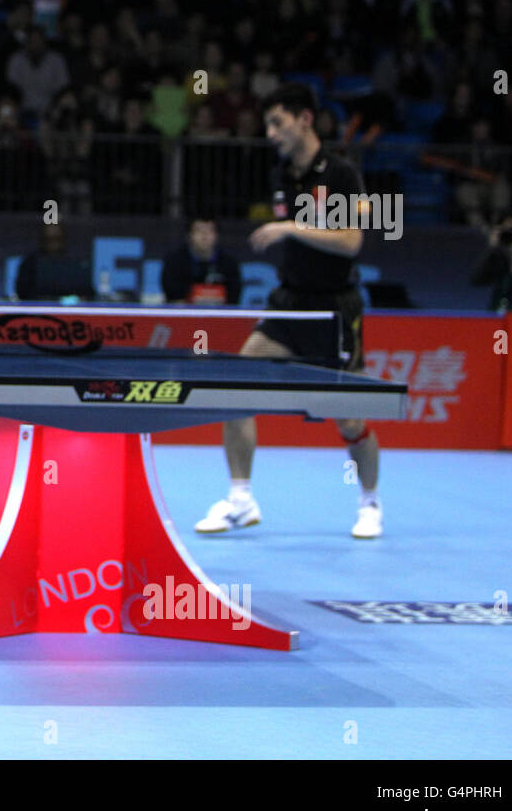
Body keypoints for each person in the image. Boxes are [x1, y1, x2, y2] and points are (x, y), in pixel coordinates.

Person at [195, 83, 383, 539]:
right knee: (235, 383)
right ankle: (241, 499)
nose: (270, 132)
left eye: (277, 122)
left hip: (335, 308)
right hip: (290, 302)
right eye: (268, 124)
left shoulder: (341, 174)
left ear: (304, 119)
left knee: (350, 417)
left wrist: (290, 228)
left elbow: (352, 241)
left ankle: (370, 503)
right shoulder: (283, 174)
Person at [161, 217, 241, 304]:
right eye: (199, 231)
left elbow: (234, 296)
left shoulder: (229, 263)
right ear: (189, 236)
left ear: (216, 236)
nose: (204, 236)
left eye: (209, 231)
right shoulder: (174, 261)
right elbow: (171, 294)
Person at [15, 222, 94, 301]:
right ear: (42, 240)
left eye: (57, 239)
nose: (54, 244)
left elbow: (88, 293)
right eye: (49, 239)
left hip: (69, 311)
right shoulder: (30, 263)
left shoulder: (75, 263)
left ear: (64, 239)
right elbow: (22, 293)